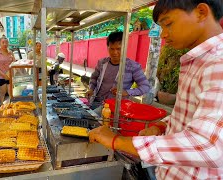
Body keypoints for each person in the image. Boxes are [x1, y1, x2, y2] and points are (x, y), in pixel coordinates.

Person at [89, 0, 223, 179]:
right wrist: (162, 125)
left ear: (201, 12)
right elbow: (188, 117)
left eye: (168, 23)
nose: (163, 34)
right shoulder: (196, 62)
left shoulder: (218, 64)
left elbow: (208, 146)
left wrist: (117, 140)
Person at [85, 31, 150, 111]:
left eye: (118, 49)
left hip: (115, 108)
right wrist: (91, 89)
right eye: (111, 49)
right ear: (107, 47)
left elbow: (146, 87)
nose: (115, 52)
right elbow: (94, 77)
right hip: (95, 102)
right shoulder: (102, 62)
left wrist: (126, 92)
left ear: (125, 48)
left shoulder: (133, 67)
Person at [0, 37, 15, 104]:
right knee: (3, 92)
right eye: (3, 42)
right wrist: (3, 75)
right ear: (0, 43)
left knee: (11, 92)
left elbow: (14, 63)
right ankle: (0, 107)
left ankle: (11, 107)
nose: (5, 44)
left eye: (6, 42)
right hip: (0, 76)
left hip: (9, 76)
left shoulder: (10, 52)